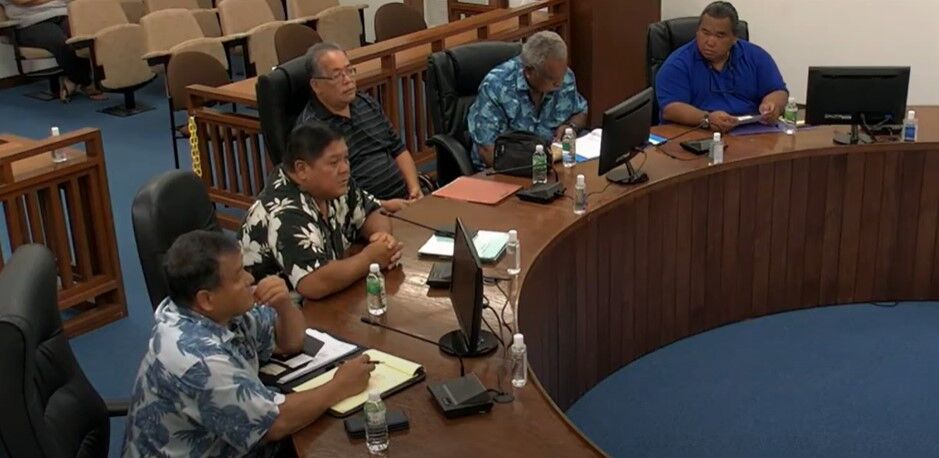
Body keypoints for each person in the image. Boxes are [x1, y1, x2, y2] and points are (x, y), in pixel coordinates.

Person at [123, 230, 375, 457]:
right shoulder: (197, 359)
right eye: (238, 275)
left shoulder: (216, 311)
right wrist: (339, 386)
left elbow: (290, 342)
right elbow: (274, 424)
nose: (249, 278)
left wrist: (284, 305)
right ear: (206, 299)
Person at [240, 121, 403, 300]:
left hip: (326, 300)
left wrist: (381, 237)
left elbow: (372, 212)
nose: (345, 169)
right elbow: (314, 283)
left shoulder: (332, 184)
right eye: (333, 162)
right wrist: (369, 259)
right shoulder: (284, 211)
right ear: (301, 169)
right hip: (272, 314)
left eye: (346, 159)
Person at [295, 42, 421, 213]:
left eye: (349, 71)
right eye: (337, 75)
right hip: (366, 214)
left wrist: (414, 188)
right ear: (316, 85)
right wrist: (382, 205)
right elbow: (331, 192)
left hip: (406, 199)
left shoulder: (365, 103)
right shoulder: (313, 130)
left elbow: (398, 149)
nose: (347, 80)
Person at [655, 1, 788, 132]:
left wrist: (772, 105)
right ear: (697, 31)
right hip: (697, 132)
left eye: (719, 35)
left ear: (734, 38)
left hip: (751, 133)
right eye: (705, 33)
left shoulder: (756, 56)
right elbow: (670, 108)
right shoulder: (678, 63)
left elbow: (778, 91)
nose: (710, 42)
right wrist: (706, 119)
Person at [466, 30, 588, 169]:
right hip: (502, 172)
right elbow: (487, 152)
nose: (560, 83)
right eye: (552, 80)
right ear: (529, 72)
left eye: (562, 74)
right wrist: (538, 166)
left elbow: (580, 111)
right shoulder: (496, 86)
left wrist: (571, 127)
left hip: (550, 167)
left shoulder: (564, 77)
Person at [0, 0, 105, 101]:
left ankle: (73, 80)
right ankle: (86, 82)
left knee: (83, 36)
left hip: (63, 13)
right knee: (62, 43)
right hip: (29, 23)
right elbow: (22, 1)